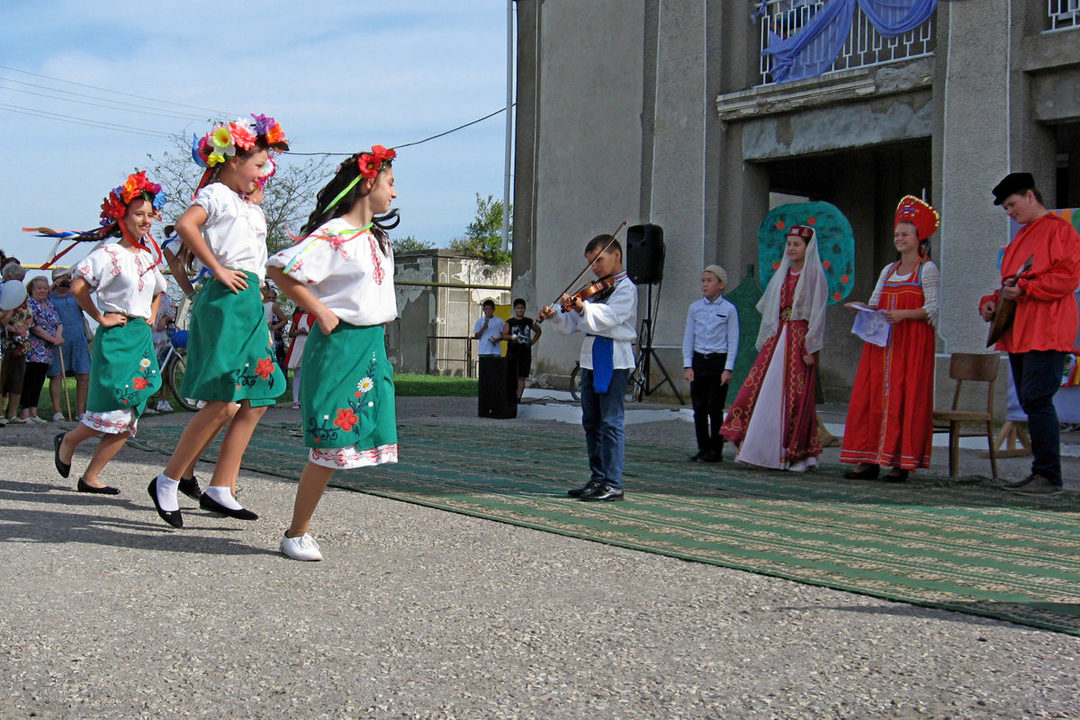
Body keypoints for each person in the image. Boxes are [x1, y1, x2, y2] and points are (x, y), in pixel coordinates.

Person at [148, 114, 289, 528]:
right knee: (224, 401)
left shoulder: (249, 208)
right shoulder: (216, 195)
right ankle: (168, 479)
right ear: (231, 161)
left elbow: (253, 257)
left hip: (247, 303)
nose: (263, 174)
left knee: (261, 394)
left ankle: (221, 486)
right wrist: (216, 270)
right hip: (225, 301)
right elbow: (184, 226)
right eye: (258, 165)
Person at [267, 144, 400, 561]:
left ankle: (299, 529)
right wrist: (319, 310)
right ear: (368, 182)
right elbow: (279, 268)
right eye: (390, 183)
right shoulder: (333, 235)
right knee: (329, 442)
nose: (394, 194)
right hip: (340, 347)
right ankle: (296, 532)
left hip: (371, 347)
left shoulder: (377, 239)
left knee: (352, 437)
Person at [53, 171, 168, 493]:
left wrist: (150, 316)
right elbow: (78, 287)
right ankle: (69, 440)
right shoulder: (107, 255)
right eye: (138, 214)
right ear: (121, 216)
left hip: (139, 337)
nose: (146, 220)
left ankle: (90, 477)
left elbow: (159, 290)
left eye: (150, 215)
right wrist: (101, 319)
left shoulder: (147, 257)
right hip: (116, 336)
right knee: (115, 404)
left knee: (130, 416)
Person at [979, 172, 1080, 495]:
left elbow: (1067, 278)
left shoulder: (1059, 230)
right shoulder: (1020, 238)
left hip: (1047, 330)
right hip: (1020, 331)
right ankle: (1042, 471)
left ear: (1031, 196)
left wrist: (1025, 288)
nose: (1010, 212)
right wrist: (992, 303)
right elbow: (1009, 284)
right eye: (1006, 208)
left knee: (1037, 400)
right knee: (1030, 401)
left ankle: (1048, 475)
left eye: (1012, 204)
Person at [841, 196, 941, 482]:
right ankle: (869, 459)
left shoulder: (927, 269)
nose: (899, 238)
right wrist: (861, 307)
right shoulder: (888, 270)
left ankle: (900, 462)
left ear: (919, 238)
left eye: (905, 234)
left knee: (905, 399)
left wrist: (904, 315)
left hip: (911, 344)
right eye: (897, 234)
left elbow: (932, 309)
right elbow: (876, 304)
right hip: (882, 345)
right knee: (871, 399)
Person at [538, 234, 637, 501]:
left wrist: (583, 308)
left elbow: (610, 318)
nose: (594, 267)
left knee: (611, 421)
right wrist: (559, 313)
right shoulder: (598, 289)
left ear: (616, 255)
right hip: (592, 357)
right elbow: (574, 324)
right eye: (591, 262)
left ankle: (614, 482)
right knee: (591, 421)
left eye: (599, 260)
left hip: (614, 357)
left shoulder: (626, 288)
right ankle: (598, 477)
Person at [720, 225, 828, 471]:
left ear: (807, 247)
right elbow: (770, 306)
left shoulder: (814, 275)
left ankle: (799, 454)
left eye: (796, 244)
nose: (791, 248)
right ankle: (757, 448)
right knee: (760, 390)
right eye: (789, 243)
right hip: (779, 336)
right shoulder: (784, 273)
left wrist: (810, 346)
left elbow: (818, 313)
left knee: (797, 396)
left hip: (800, 338)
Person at [682, 264, 740, 463]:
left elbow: (733, 339)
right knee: (698, 407)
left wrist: (728, 367)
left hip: (718, 360)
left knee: (714, 407)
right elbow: (689, 336)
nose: (705, 285)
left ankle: (716, 449)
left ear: (721, 284)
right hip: (699, 359)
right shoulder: (695, 308)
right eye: (703, 281)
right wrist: (688, 364)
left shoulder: (729, 309)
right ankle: (702, 446)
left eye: (710, 281)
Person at [47, 268, 92, 421]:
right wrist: (53, 286)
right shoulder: (49, 297)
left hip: (78, 338)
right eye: (63, 278)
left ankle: (81, 411)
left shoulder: (76, 295)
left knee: (83, 374)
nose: (66, 280)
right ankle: (57, 411)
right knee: (57, 374)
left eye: (68, 277)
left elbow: (88, 305)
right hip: (58, 339)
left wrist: (77, 287)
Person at [19, 276, 63, 424]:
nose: (42, 291)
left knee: (39, 380)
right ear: (32, 289)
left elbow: (59, 323)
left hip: (47, 351)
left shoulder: (49, 305)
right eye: (39, 288)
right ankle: (25, 412)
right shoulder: (30, 304)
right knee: (30, 379)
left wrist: (58, 336)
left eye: (45, 287)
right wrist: (52, 339)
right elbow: (34, 327)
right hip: (33, 348)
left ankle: (34, 412)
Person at [1, 262, 32, 425]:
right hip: (5, 340)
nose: (21, 281)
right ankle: (1, 413)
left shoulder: (23, 295)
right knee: (2, 376)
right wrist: (12, 328)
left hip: (21, 341)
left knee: (18, 377)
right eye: (18, 278)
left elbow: (29, 315)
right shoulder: (2, 291)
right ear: (8, 277)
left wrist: (25, 327)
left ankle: (12, 414)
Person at [501, 298, 541, 402]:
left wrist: (532, 341)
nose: (520, 310)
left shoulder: (528, 321)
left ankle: (518, 398)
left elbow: (538, 331)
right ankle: (510, 396)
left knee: (521, 377)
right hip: (512, 353)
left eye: (522, 308)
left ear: (525, 309)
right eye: (518, 308)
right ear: (515, 309)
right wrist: (511, 337)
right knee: (510, 376)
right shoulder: (510, 322)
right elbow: (504, 335)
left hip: (525, 353)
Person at [284, 307, 314, 410]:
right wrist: (298, 332)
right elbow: (291, 333)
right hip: (298, 345)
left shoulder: (314, 316)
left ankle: (307, 398)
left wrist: (306, 333)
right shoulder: (297, 317)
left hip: (309, 344)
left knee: (309, 372)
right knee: (297, 372)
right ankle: (295, 399)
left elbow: (316, 333)